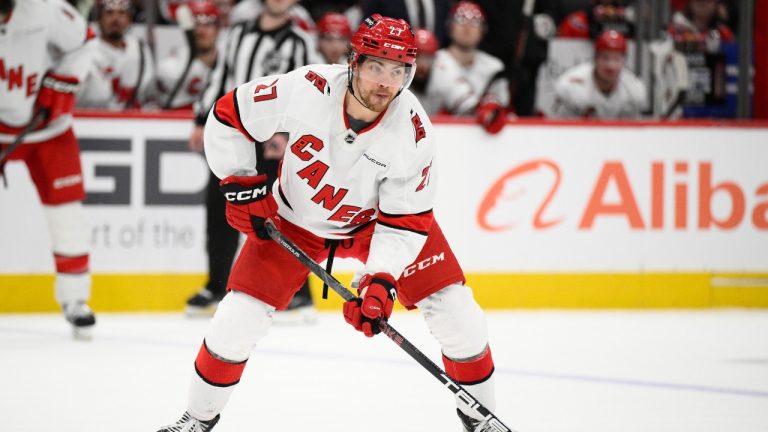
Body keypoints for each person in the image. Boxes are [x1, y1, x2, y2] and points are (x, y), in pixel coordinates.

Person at [155, 14, 498, 432]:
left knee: (457, 312)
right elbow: (230, 115)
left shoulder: (414, 132)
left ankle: (481, 418)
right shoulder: (307, 88)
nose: (386, 82)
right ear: (354, 62)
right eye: (376, 66)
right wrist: (241, 182)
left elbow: (406, 220)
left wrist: (380, 279)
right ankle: (197, 418)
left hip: (375, 226)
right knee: (236, 320)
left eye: (399, 70)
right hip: (293, 220)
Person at [185, 0, 319, 318]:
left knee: (282, 212)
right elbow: (220, 76)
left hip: (274, 140)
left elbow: (308, 93)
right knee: (220, 208)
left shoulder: (299, 43)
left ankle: (299, 293)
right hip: (234, 134)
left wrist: (290, 135)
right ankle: (217, 285)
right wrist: (202, 119)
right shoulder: (237, 34)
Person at [0, 0, 96, 339]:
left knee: (66, 213)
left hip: (48, 129)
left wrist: (63, 80)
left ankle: (75, 299)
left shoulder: (44, 8)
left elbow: (85, 40)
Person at [427, 1, 509, 134]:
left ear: (483, 30)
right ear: (450, 26)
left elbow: (502, 106)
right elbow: (464, 105)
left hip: (483, 139)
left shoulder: (494, 66)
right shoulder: (434, 61)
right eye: (460, 19)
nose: (467, 27)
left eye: (475, 22)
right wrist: (485, 109)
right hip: (437, 133)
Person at [70, 0, 156, 109]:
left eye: (122, 13)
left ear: (130, 20)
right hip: (92, 119)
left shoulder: (140, 50)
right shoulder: (85, 51)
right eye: (109, 12)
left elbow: (148, 94)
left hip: (131, 121)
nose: (116, 18)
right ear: (99, 19)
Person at [551, 30, 646, 119]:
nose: (611, 66)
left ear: (624, 61)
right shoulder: (571, 85)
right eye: (605, 58)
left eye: (617, 59)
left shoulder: (634, 89)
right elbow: (561, 129)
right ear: (595, 58)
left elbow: (633, 131)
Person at [157, 1, 220, 110]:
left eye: (208, 24)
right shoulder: (171, 67)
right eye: (196, 24)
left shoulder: (227, 62)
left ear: (218, 29)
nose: (201, 31)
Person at [410, 27, 440, 114]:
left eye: (428, 58)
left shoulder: (442, 84)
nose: (423, 65)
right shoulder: (397, 89)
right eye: (417, 56)